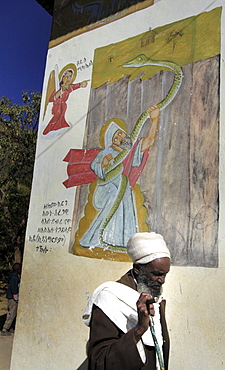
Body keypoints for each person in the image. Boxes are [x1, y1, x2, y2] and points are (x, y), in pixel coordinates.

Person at [83, 232, 171, 369]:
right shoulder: (109, 298)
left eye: (165, 274)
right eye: (157, 274)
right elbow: (98, 362)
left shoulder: (155, 301)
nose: (162, 280)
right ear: (137, 268)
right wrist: (139, 329)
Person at [79, 106, 160, 249]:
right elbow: (95, 165)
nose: (120, 138)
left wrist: (155, 119)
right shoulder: (107, 152)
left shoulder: (131, 147)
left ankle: (122, 242)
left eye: (120, 134)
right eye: (116, 138)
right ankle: (98, 239)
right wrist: (104, 163)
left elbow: (149, 141)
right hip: (108, 188)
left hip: (123, 188)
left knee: (125, 209)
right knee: (113, 197)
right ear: (112, 142)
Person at [43, 68, 88, 135]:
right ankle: (49, 130)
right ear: (63, 77)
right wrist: (56, 95)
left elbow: (76, 86)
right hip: (57, 106)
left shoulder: (68, 87)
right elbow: (51, 99)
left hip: (63, 106)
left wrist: (81, 84)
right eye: (67, 76)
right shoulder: (58, 88)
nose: (69, 79)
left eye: (70, 77)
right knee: (56, 118)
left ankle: (61, 126)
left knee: (61, 118)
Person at [1, 263, 22, 336]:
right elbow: (14, 289)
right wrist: (16, 298)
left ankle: (11, 328)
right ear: (18, 269)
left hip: (12, 297)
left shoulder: (14, 277)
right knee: (11, 313)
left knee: (13, 313)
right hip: (12, 298)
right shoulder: (14, 278)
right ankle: (5, 328)